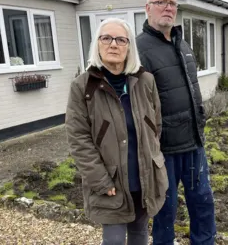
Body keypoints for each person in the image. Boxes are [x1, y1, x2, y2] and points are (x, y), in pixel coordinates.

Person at [65, 17, 169, 245]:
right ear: (97, 44)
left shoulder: (145, 81)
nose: (113, 44)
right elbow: (78, 139)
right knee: (113, 240)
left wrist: (151, 162)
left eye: (121, 40)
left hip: (143, 178)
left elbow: (156, 127)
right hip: (110, 180)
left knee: (140, 234)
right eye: (106, 38)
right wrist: (101, 180)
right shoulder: (82, 87)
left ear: (129, 46)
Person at [136, 0, 217, 245]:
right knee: (164, 212)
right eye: (161, 2)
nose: (168, 8)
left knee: (203, 205)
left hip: (194, 144)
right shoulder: (138, 51)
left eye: (172, 3)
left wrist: (201, 121)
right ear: (148, 8)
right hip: (163, 152)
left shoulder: (183, 46)